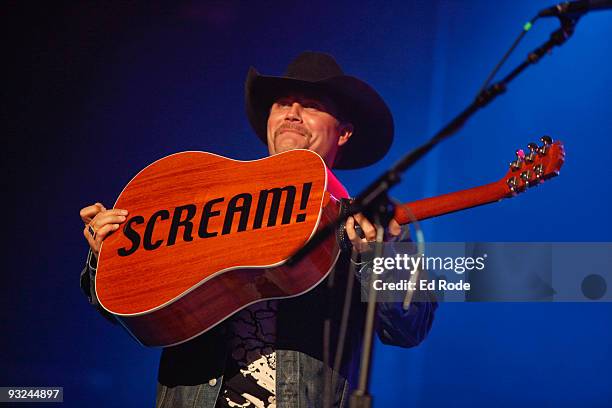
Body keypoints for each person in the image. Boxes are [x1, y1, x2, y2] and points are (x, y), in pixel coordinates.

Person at [79, 51, 436, 408]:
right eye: (282, 104)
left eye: (311, 105)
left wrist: (375, 256)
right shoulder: (209, 205)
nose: (292, 114)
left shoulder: (371, 223)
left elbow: (412, 325)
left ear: (343, 132)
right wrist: (107, 254)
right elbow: (123, 309)